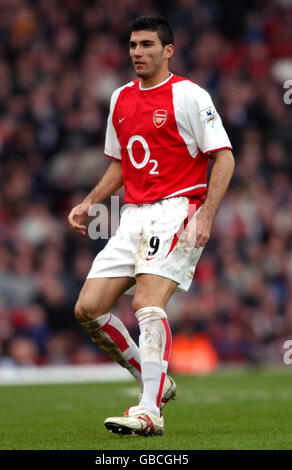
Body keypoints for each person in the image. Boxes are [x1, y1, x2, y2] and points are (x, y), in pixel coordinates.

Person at [68, 16, 235, 436]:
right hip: (134, 214)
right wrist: (90, 202)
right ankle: (155, 377)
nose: (137, 52)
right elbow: (122, 164)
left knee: (147, 303)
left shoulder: (190, 96)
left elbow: (224, 156)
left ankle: (149, 411)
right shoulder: (120, 99)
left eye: (146, 44)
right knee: (88, 309)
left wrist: (207, 214)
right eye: (132, 45)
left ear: (168, 51)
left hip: (179, 207)